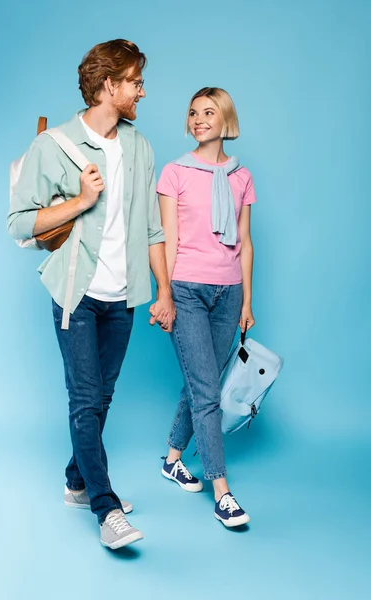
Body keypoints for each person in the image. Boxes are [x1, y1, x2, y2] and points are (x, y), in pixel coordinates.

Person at [7, 39, 175, 550]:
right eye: (136, 83)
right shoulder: (53, 146)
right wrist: (82, 200)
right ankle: (106, 509)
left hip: (123, 297)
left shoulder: (140, 147)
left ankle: (77, 482)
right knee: (84, 400)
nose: (143, 92)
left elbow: (151, 229)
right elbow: (20, 226)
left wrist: (163, 290)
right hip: (75, 294)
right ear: (110, 86)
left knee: (100, 397)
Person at [157, 87, 256, 527]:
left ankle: (173, 458)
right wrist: (164, 295)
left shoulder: (241, 176)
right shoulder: (174, 172)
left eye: (209, 112)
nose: (199, 119)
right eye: (193, 112)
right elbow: (165, 239)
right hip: (187, 291)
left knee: (203, 385)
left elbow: (245, 240)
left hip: (228, 292)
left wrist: (247, 300)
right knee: (207, 392)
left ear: (225, 120)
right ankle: (223, 492)